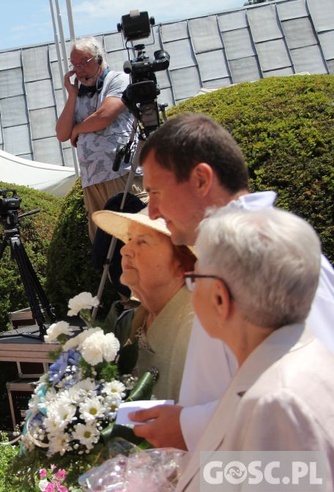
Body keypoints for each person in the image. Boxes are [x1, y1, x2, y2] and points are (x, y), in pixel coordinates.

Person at [128, 113, 334, 450]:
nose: (152, 212)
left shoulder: (266, 253)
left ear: (200, 180)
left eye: (155, 193)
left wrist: (188, 426)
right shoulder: (227, 251)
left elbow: (311, 388)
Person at [175, 206, 334, 492]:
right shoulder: (290, 361)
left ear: (220, 298)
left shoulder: (276, 404)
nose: (191, 290)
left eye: (194, 279)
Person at [92, 207, 195, 402]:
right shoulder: (129, 321)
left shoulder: (198, 331)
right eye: (129, 239)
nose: (124, 249)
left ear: (184, 261)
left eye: (142, 241)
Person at [55, 36, 145, 242]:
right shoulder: (78, 93)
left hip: (120, 173)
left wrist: (77, 130)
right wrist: (71, 96)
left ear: (98, 58)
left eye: (83, 63)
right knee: (104, 243)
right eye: (74, 65)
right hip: (92, 179)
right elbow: (61, 133)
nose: (78, 71)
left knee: (132, 235)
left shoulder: (118, 79)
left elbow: (104, 116)